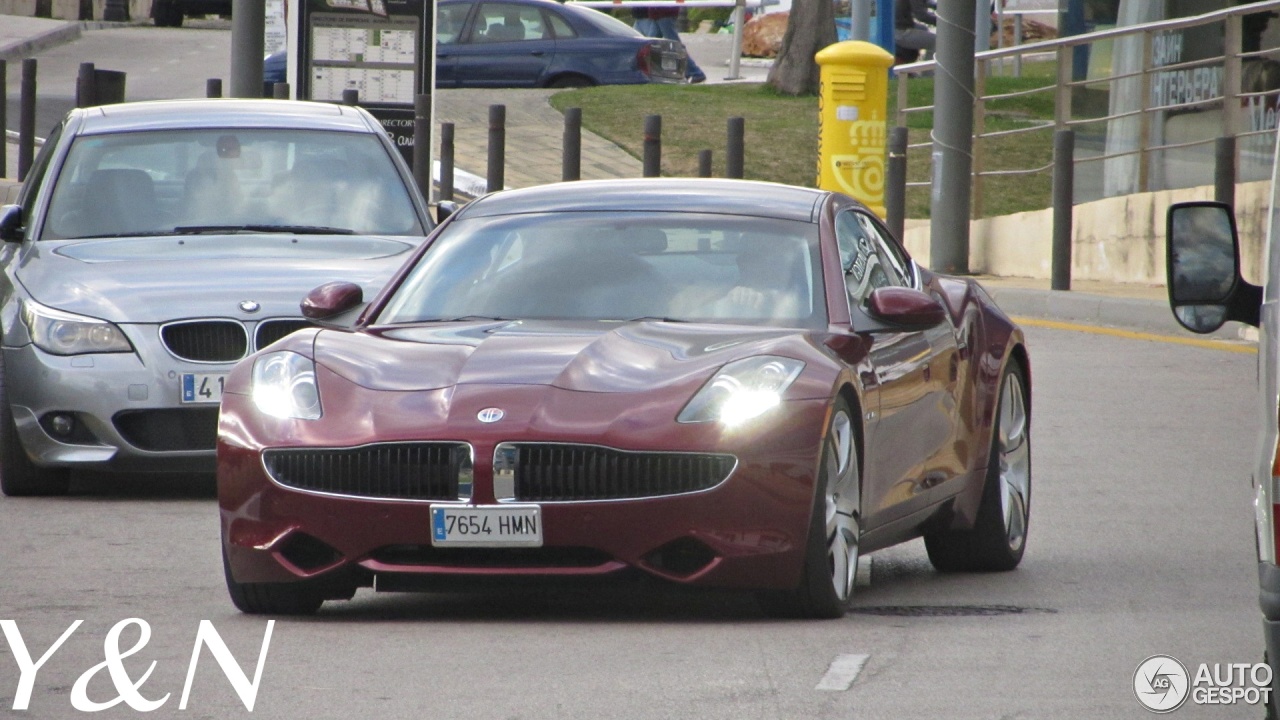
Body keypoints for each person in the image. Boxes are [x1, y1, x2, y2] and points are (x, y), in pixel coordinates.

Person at [641, 6, 707, 84]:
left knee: (675, 45)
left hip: (663, 13)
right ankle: (687, 72)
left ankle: (695, 72)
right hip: (658, 13)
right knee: (650, 44)